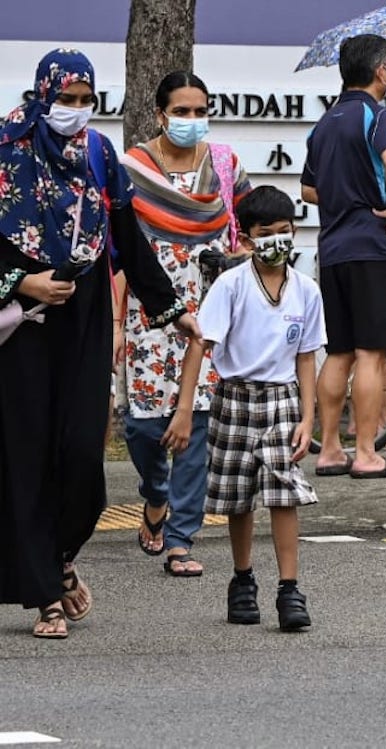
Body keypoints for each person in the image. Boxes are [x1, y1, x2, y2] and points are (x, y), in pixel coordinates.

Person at [0, 49, 200, 639]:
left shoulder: (96, 153)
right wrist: (19, 280)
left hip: (83, 313)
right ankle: (46, 596)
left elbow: (126, 234)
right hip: (24, 322)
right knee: (28, 455)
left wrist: (170, 309)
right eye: (67, 100)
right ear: (42, 95)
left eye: (87, 101)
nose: (77, 111)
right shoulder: (6, 152)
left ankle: (63, 556)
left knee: (84, 454)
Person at [166, 186, 324, 631]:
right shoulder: (231, 284)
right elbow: (202, 344)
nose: (278, 241)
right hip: (234, 396)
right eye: (267, 233)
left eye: (286, 231)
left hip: (281, 399)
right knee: (237, 496)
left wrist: (308, 417)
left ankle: (289, 589)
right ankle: (242, 579)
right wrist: (184, 408)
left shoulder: (307, 291)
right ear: (249, 238)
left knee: (283, 491)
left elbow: (307, 355)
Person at [120, 71, 251, 577]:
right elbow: (118, 248)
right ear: (160, 114)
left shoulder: (223, 163)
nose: (193, 121)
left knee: (197, 424)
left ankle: (180, 540)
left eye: (201, 111)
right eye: (183, 111)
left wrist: (243, 254)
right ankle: (155, 496)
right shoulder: (133, 167)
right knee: (142, 426)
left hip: (210, 305)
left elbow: (247, 223)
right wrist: (114, 322)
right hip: (148, 311)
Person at [301, 34, 386, 479]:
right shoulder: (377, 115)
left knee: (339, 352)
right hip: (372, 246)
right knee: (372, 352)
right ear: (381, 72)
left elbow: (309, 189)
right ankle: (368, 452)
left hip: (332, 249)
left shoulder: (325, 123)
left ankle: (330, 448)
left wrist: (345, 199)